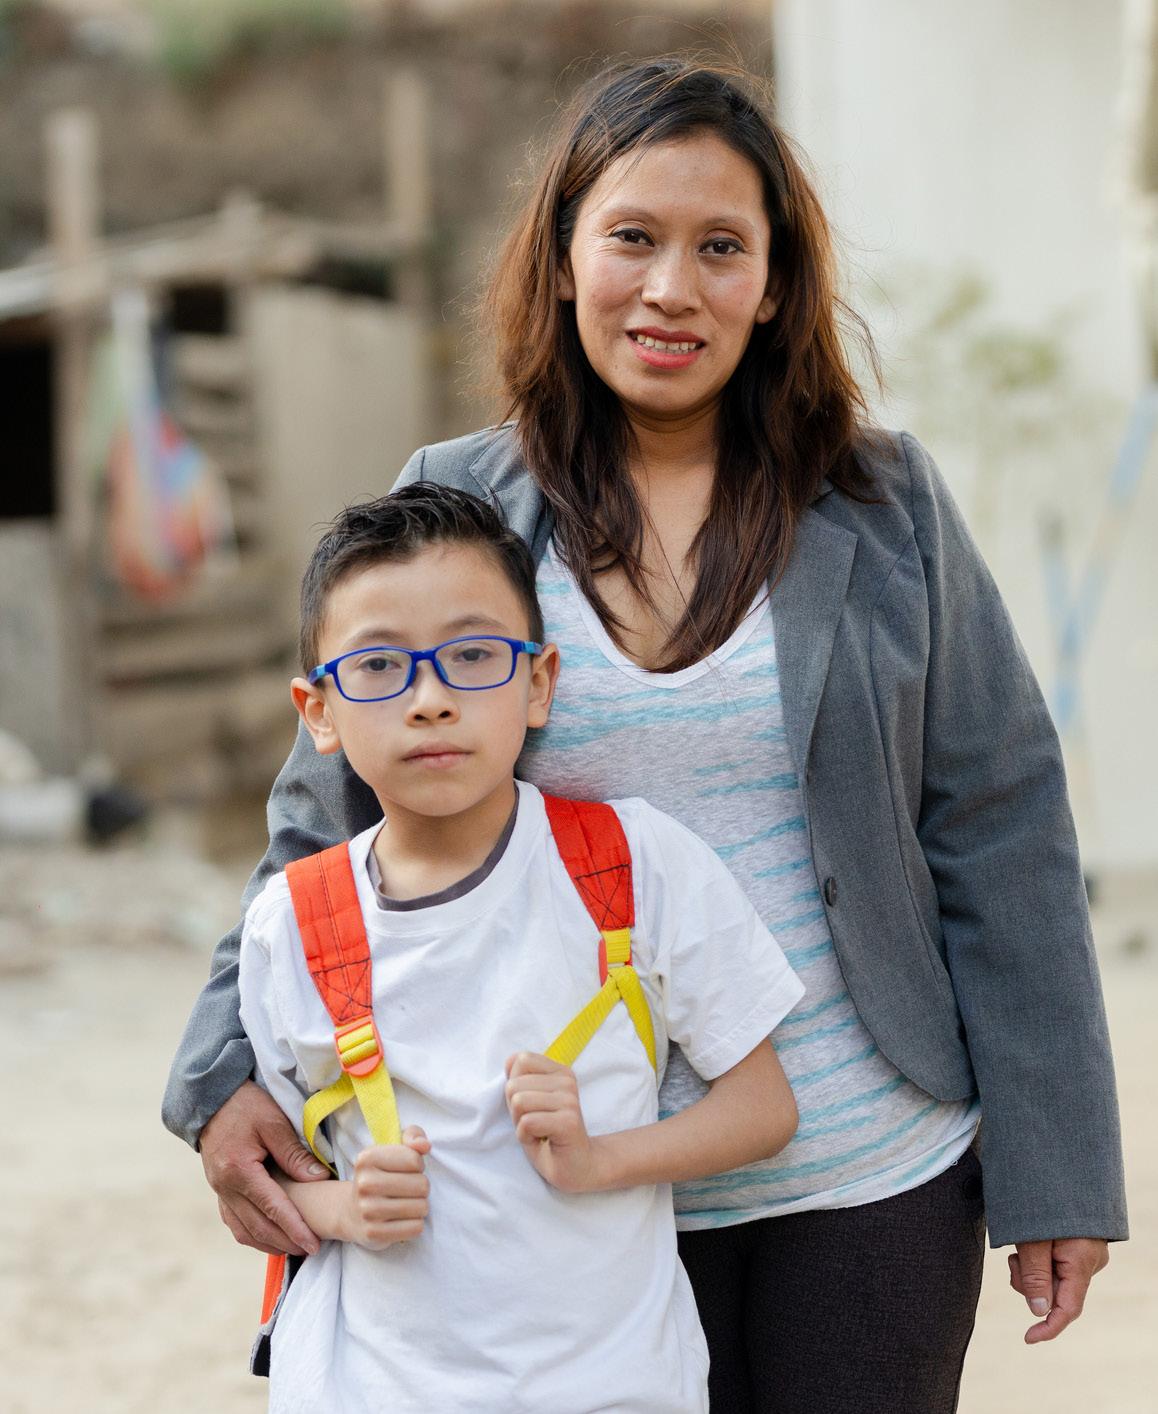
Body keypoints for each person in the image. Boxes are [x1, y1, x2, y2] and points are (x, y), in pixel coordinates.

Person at [165, 57, 1127, 1414]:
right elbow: (319, 820)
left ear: (773, 284)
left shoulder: (884, 503)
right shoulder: (460, 500)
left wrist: (1058, 1167)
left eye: (720, 247)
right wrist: (217, 1076)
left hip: (869, 1173)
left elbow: (1000, 825)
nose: (671, 287)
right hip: (551, 1198)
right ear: (564, 257)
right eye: (631, 237)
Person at [236, 482, 802, 1411]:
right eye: (378, 666)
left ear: (539, 683)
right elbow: (270, 1174)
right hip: (375, 1386)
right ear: (318, 711)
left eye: (472, 656)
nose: (429, 700)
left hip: (614, 1388)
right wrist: (343, 1207)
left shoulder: (632, 864)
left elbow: (765, 1109)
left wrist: (601, 1159)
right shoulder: (290, 923)